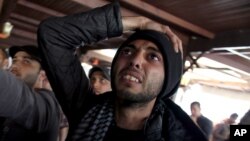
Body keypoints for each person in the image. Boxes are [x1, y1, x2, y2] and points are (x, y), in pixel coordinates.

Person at [38, 2, 207, 141]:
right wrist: (140, 22)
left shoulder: (180, 136)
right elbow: (52, 35)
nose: (135, 60)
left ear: (167, 79)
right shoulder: (84, 106)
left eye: (153, 57)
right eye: (127, 51)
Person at [0, 45, 61, 141]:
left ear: (42, 75)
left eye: (26, 61)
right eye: (15, 60)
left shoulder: (49, 104)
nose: (14, 66)